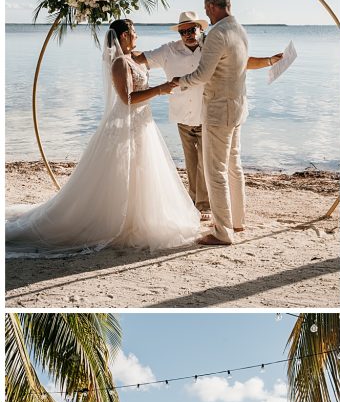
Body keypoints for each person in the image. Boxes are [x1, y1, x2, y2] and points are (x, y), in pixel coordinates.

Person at [5, 19, 202, 257]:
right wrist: (161, 89)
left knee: (143, 170)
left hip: (143, 123)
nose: (137, 36)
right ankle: (117, 220)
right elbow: (126, 99)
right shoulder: (119, 63)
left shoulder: (131, 58)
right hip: (127, 123)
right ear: (123, 37)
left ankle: (137, 216)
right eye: (133, 32)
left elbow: (157, 58)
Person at [134, 10, 284, 222]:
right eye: (183, 31)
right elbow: (141, 58)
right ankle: (194, 203)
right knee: (191, 163)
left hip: (207, 114)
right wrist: (120, 51)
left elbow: (243, 61)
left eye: (192, 29)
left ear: (201, 28)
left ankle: (204, 205)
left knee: (207, 164)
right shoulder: (168, 50)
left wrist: (269, 60)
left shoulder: (212, 45)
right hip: (182, 115)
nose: (188, 34)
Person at [171, 0, 250, 246]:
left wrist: (180, 81)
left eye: (207, 9)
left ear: (213, 7)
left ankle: (222, 231)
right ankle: (237, 221)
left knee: (215, 170)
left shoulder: (218, 34)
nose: (207, 13)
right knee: (233, 166)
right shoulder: (239, 30)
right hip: (238, 107)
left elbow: (203, 75)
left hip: (218, 109)